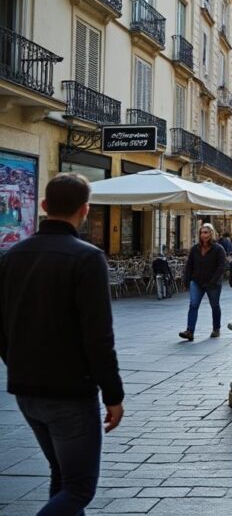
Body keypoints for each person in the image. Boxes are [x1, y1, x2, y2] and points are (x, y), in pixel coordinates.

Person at [0, 172, 124, 514]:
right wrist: (113, 394)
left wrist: (18, 363)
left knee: (62, 475)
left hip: (26, 390)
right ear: (85, 209)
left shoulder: (11, 256)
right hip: (69, 392)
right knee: (79, 489)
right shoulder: (87, 258)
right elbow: (99, 336)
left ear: (43, 205)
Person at [179, 223, 227, 341]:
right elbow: (189, 265)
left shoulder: (218, 249)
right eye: (201, 233)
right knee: (193, 305)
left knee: (214, 305)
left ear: (211, 233)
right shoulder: (195, 248)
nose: (203, 235)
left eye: (206, 232)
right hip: (197, 281)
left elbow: (222, 266)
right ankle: (190, 331)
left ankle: (216, 328)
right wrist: (186, 281)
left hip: (213, 283)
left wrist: (213, 281)